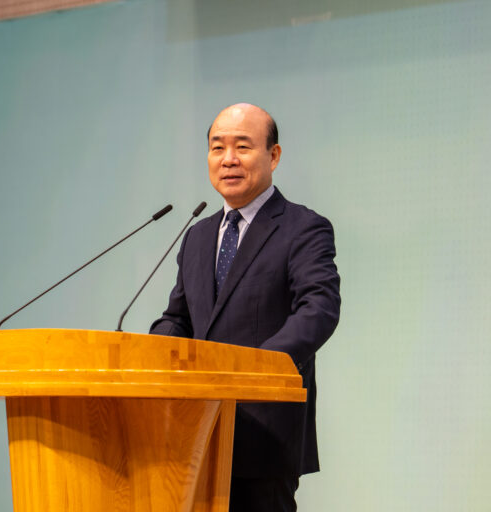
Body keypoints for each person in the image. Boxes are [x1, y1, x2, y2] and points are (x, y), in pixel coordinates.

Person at [150, 103, 341, 511]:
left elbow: (318, 309)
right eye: (218, 147)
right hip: (193, 433)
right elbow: (179, 319)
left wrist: (254, 368)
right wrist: (155, 350)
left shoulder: (302, 228)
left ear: (273, 155)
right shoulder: (197, 236)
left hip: (263, 436)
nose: (229, 159)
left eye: (242, 146)